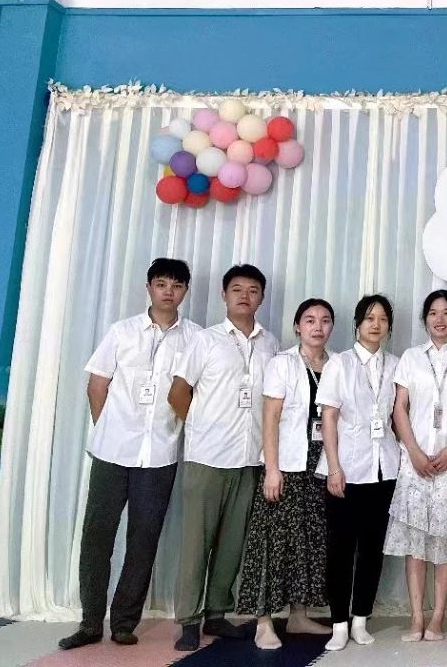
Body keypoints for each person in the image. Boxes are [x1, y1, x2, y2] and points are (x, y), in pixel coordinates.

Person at [58, 258, 201, 650]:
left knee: (144, 539)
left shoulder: (196, 338)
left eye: (176, 285)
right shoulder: (121, 331)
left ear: (186, 291)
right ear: (148, 287)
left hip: (160, 455)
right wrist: (109, 428)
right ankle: (90, 622)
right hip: (112, 451)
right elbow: (97, 385)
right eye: (161, 283)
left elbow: (195, 392)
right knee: (97, 536)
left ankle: (124, 622)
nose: (168, 291)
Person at [168, 264, 280, 652]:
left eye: (252, 290)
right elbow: (177, 393)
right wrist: (200, 426)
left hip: (249, 459)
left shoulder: (270, 344)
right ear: (224, 295)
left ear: (261, 297)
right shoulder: (205, 340)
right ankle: (188, 620)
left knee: (233, 543)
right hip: (207, 458)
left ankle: (216, 613)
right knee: (195, 544)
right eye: (237, 289)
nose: (244, 296)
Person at [235, 298, 335, 649]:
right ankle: (263, 621)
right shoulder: (283, 363)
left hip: (320, 464)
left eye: (325, 320)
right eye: (309, 320)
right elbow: (270, 417)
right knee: (271, 541)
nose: (317, 327)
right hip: (286, 464)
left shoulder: (337, 365)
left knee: (309, 541)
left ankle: (299, 614)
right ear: (297, 327)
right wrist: (272, 469)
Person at [386, 290, 447, 642]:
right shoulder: (411, 357)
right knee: (416, 544)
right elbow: (399, 408)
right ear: (425, 320)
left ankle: (438, 618)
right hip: (415, 461)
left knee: (446, 542)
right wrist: (413, 451)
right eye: (433, 313)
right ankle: (416, 618)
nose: (440, 319)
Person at [317, 294, 401, 652]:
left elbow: (400, 416)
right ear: (357, 324)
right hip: (347, 469)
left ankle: (361, 619)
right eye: (369, 318)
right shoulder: (340, 363)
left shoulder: (396, 365)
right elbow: (329, 417)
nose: (375, 324)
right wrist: (334, 467)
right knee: (340, 549)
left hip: (384, 469)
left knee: (372, 549)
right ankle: (339, 623)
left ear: (389, 326)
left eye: (382, 319)